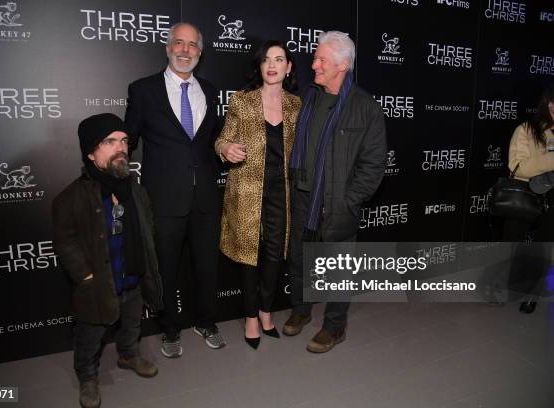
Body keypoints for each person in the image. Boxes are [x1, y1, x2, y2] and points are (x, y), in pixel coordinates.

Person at [124, 22, 225, 358]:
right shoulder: (142, 90)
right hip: (164, 198)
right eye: (178, 44)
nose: (185, 51)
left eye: (192, 45)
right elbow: (129, 140)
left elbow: (212, 141)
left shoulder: (210, 90)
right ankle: (169, 329)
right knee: (166, 267)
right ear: (168, 48)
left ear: (201, 51)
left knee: (207, 265)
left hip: (207, 196)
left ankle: (207, 321)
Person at [282, 31, 387, 353]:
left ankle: (334, 326)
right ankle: (301, 310)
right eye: (315, 57)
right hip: (302, 196)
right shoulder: (309, 97)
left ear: (342, 65)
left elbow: (374, 165)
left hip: (338, 203)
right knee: (299, 261)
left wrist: (347, 201)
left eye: (321, 60)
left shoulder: (365, 107)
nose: (313, 64)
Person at [52, 113, 164, 408]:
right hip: (97, 285)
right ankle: (87, 377)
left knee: (131, 326)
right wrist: (85, 278)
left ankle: (128, 355)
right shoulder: (70, 198)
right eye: (110, 141)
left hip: (132, 279)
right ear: (90, 152)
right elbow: (65, 244)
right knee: (89, 337)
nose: (121, 147)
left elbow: (147, 229)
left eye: (125, 141)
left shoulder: (136, 191)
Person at [215, 40, 301, 349]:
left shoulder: (296, 104)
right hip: (247, 190)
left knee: (275, 252)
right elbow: (222, 138)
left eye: (280, 59)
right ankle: (251, 317)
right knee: (249, 254)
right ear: (260, 66)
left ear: (289, 67)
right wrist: (226, 148)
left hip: (283, 192)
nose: (273, 65)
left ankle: (267, 311)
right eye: (267, 59)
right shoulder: (242, 100)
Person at [504, 84, 554, 314]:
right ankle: (505, 285)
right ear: (549, 103)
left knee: (544, 248)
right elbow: (517, 167)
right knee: (514, 245)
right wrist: (550, 159)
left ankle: (532, 294)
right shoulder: (526, 130)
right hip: (527, 198)